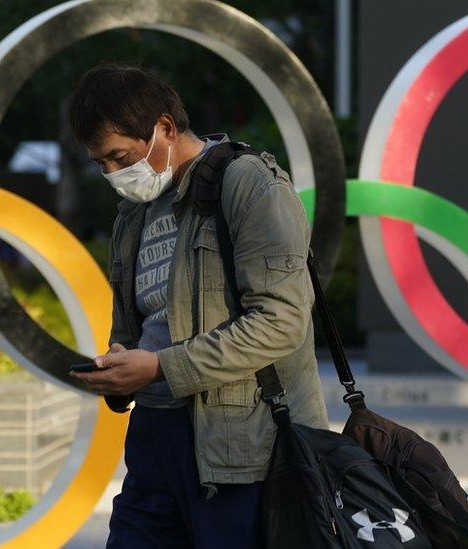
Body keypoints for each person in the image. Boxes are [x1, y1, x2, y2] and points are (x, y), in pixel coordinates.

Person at [66, 63, 329, 548]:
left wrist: (160, 366)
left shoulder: (249, 183)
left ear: (165, 127)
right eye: (101, 163)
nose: (113, 174)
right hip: (154, 439)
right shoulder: (133, 214)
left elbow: (282, 321)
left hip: (245, 448)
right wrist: (118, 366)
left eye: (120, 156)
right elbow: (135, 326)